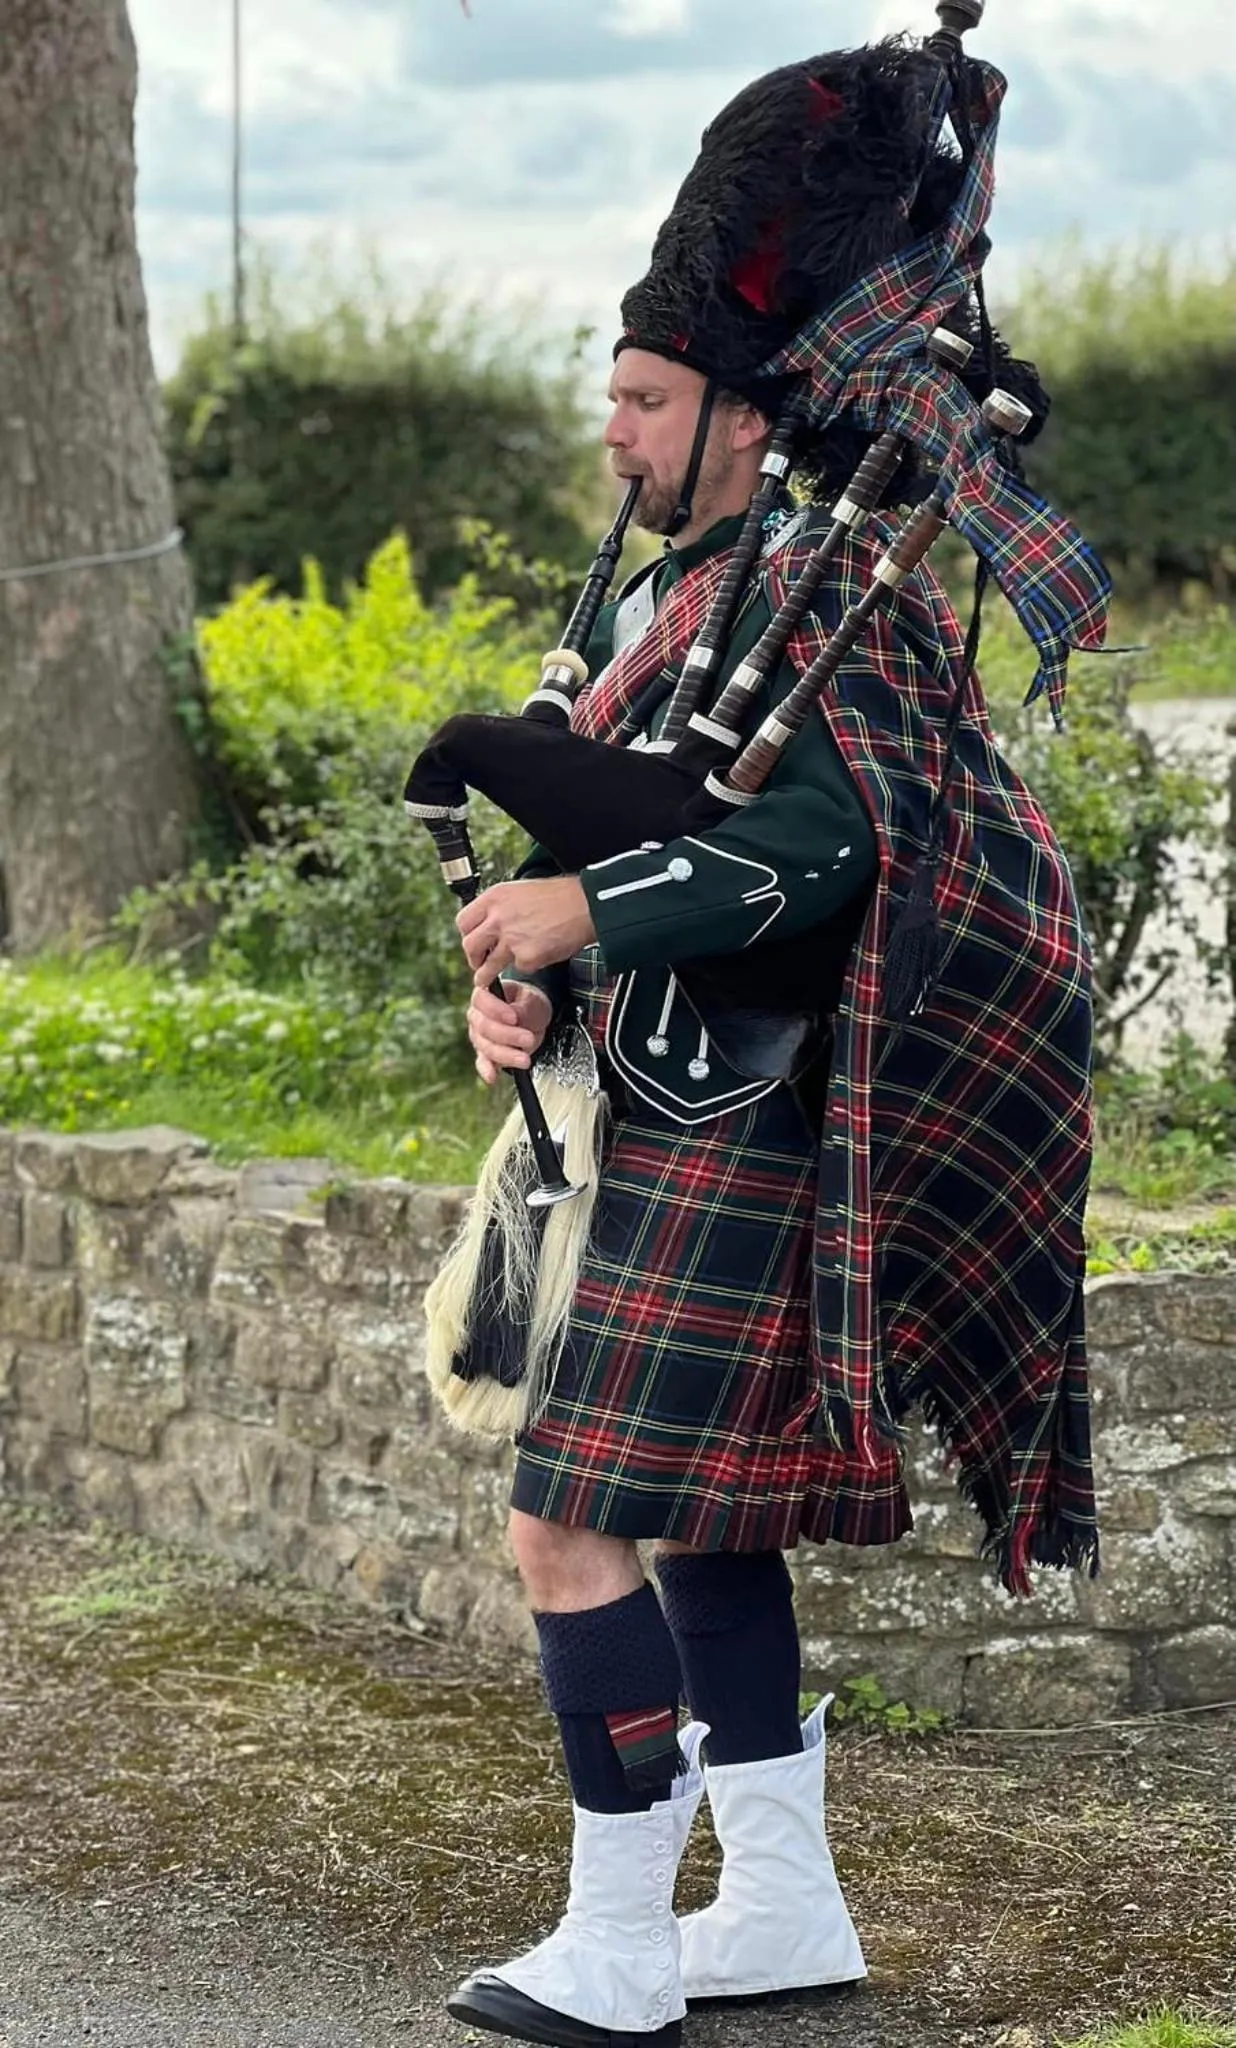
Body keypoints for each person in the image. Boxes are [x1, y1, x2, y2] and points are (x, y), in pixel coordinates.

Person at [432, 21, 1112, 2048]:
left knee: (566, 1514)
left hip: (751, 1117)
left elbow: (823, 846)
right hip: (662, 1093)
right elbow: (663, 831)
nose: (618, 431)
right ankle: (787, 1899)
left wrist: (588, 905)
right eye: (614, 398)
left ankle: (623, 1940)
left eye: (646, 396)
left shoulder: (827, 586)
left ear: (742, 408)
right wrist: (536, 966)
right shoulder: (701, 589)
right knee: (700, 1518)